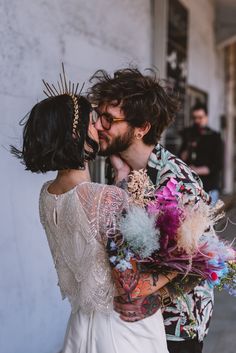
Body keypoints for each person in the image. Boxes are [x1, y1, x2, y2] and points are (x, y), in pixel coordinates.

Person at [11, 70, 178, 353]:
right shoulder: (105, 198)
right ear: (76, 134)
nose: (99, 127)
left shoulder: (46, 195)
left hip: (80, 324)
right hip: (122, 330)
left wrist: (122, 177)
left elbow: (93, 233)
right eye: (93, 122)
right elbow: (130, 281)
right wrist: (188, 261)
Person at [89, 68, 214, 353]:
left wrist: (160, 298)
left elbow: (205, 259)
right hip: (132, 328)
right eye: (99, 115)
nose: (99, 126)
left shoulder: (177, 181)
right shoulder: (120, 170)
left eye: (109, 119)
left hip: (176, 328)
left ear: (141, 127)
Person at [179, 102, 223, 205]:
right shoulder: (190, 134)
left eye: (200, 117)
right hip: (191, 187)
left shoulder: (215, 137)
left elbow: (217, 165)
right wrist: (189, 145)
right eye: (194, 118)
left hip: (209, 187)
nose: (197, 121)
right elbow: (181, 156)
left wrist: (195, 170)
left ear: (206, 117)